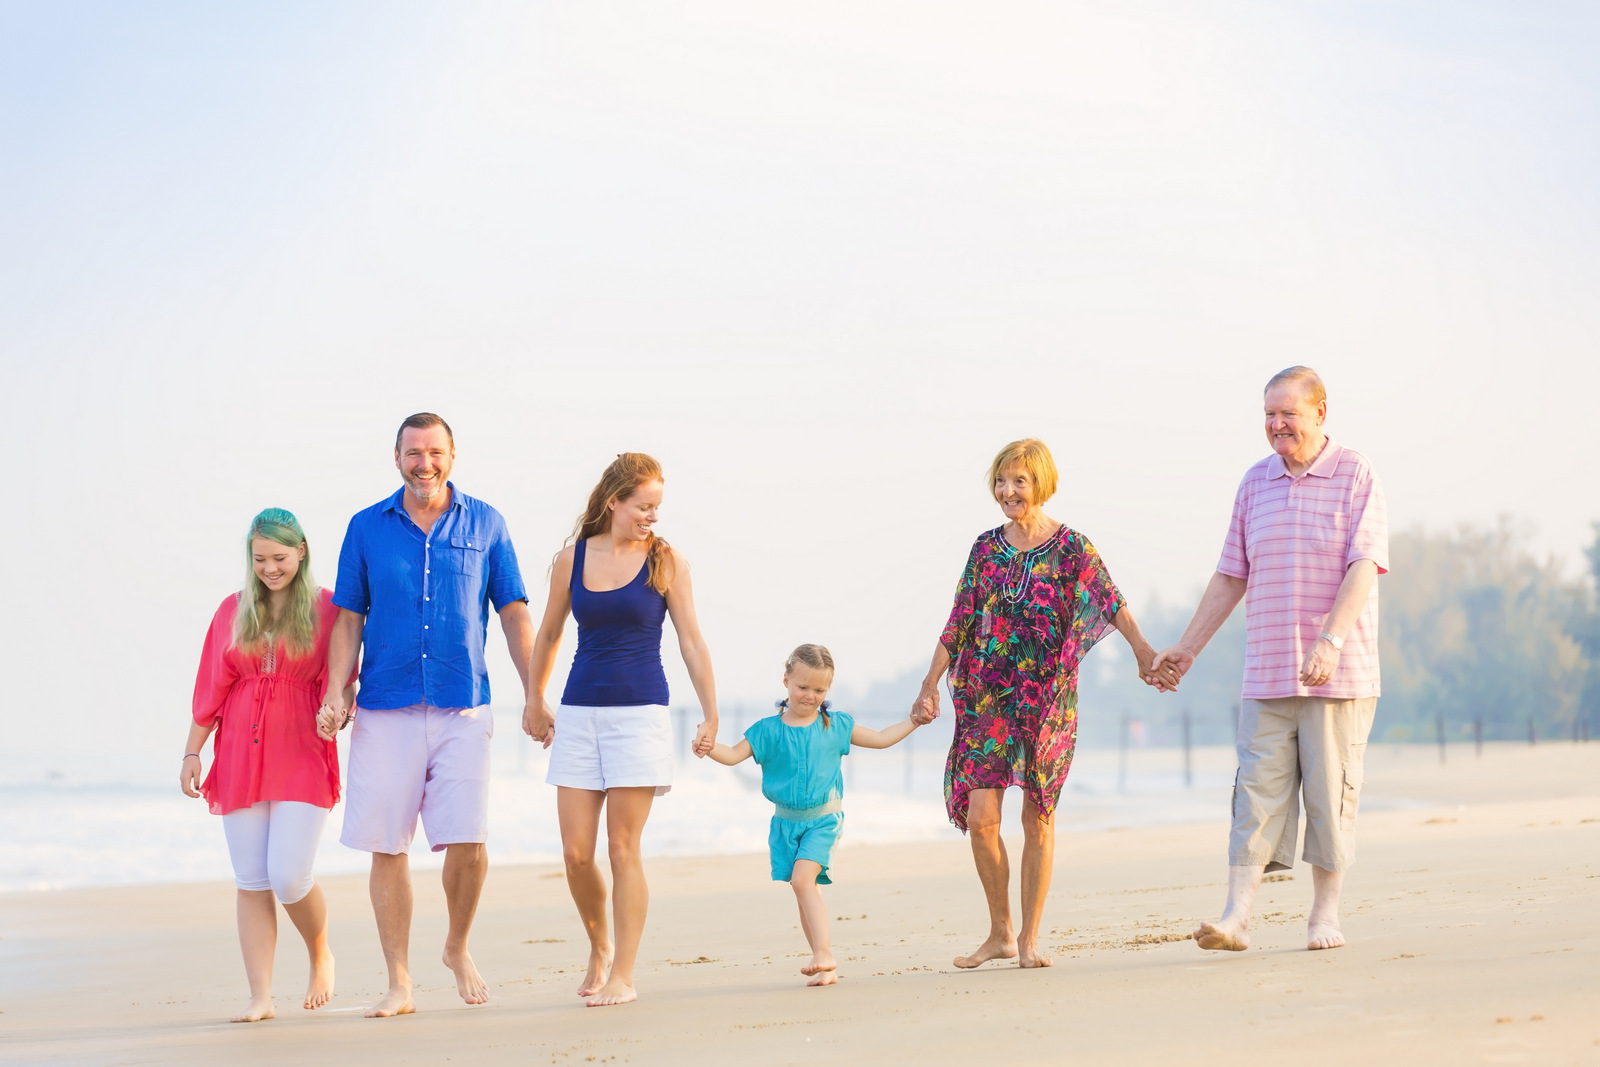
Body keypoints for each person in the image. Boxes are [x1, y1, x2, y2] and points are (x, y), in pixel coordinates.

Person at [1151, 367, 1387, 953]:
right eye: (1268, 415)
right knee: (1253, 795)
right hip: (1267, 672)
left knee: (1329, 801)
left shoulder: (1355, 473)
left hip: (1339, 675)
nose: (1277, 425)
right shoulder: (1254, 483)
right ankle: (1237, 917)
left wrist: (1330, 641)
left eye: (1288, 414)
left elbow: (1364, 566)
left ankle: (1323, 917)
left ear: (1320, 412)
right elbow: (1233, 573)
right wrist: (1188, 646)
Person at [914, 439, 1163, 969]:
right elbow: (958, 619)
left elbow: (1111, 601)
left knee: (1037, 817)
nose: (1008, 491)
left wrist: (1143, 652)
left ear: (1041, 483)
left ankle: (1029, 939)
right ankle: (1000, 931)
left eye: (1019, 481)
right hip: (986, 696)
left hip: (1046, 697)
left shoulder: (1072, 547)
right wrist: (929, 684)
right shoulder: (985, 548)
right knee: (981, 818)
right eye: (1001, 481)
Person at [316, 413, 534, 1017]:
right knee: (388, 846)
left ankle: (456, 947)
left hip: (464, 704)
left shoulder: (487, 523)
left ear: (453, 456)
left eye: (435, 452)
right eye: (413, 453)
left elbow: (514, 613)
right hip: (386, 707)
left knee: (469, 840)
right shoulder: (365, 528)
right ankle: (399, 981)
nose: (424, 463)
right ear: (396, 458)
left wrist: (535, 692)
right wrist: (337, 691)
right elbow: (348, 619)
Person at [522, 453, 719, 1007]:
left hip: (640, 716)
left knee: (622, 847)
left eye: (657, 507)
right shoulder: (571, 559)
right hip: (580, 713)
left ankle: (624, 975)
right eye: (644, 506)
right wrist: (534, 700)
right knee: (577, 853)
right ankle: (600, 945)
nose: (652, 517)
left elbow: (691, 641)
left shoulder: (665, 561)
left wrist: (710, 711)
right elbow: (549, 634)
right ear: (615, 501)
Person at [181, 508, 354, 1023]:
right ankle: (260, 997)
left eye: (279, 557)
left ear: (301, 552)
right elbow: (210, 688)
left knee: (288, 875)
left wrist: (337, 710)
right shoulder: (232, 610)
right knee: (252, 879)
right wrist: (192, 752)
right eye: (259, 559)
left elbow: (343, 681)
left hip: (302, 749)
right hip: (237, 752)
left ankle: (320, 951)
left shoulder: (330, 609)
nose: (270, 568)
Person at [705, 644, 930, 986]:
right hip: (785, 822)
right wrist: (708, 748)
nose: (810, 695)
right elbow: (734, 754)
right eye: (803, 687)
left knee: (802, 880)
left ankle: (823, 953)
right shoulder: (767, 730)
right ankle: (826, 967)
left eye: (819, 689)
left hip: (824, 819)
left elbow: (882, 738)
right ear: (786, 681)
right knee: (802, 887)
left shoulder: (835, 726)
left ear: (828, 690)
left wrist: (914, 721)